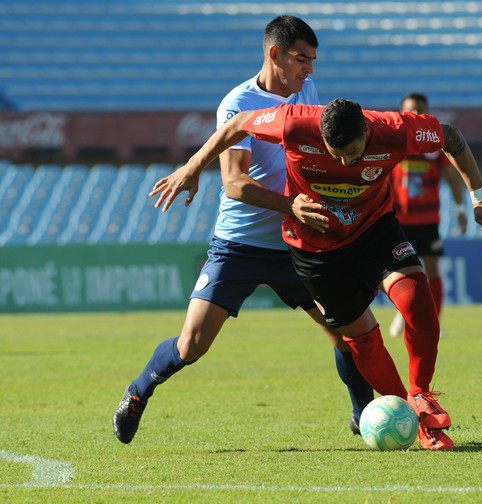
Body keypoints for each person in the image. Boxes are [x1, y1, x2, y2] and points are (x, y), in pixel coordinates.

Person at [151, 98, 482, 451]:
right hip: (315, 250)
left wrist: (479, 196)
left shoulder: (394, 129)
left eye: (352, 154)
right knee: (362, 340)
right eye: (334, 153)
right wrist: (192, 167)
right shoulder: (294, 122)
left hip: (374, 229)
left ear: (366, 134)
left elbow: (450, 136)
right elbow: (235, 124)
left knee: (417, 299)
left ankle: (420, 394)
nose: (343, 161)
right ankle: (412, 419)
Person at [112, 16, 374, 446]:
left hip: (296, 241)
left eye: (313, 61)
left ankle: (363, 414)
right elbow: (234, 185)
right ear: (274, 54)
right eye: (301, 59)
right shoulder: (237, 104)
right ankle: (138, 391)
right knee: (192, 344)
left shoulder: (304, 90)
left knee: (346, 332)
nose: (309, 70)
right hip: (241, 244)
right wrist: (290, 203)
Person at [388, 93, 468, 338]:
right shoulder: (393, 143)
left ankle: (434, 322)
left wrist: (460, 209)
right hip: (398, 220)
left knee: (431, 271)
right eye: (411, 110)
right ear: (402, 113)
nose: (416, 114)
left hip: (428, 220)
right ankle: (406, 313)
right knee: (399, 274)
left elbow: (453, 177)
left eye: (420, 109)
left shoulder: (434, 146)